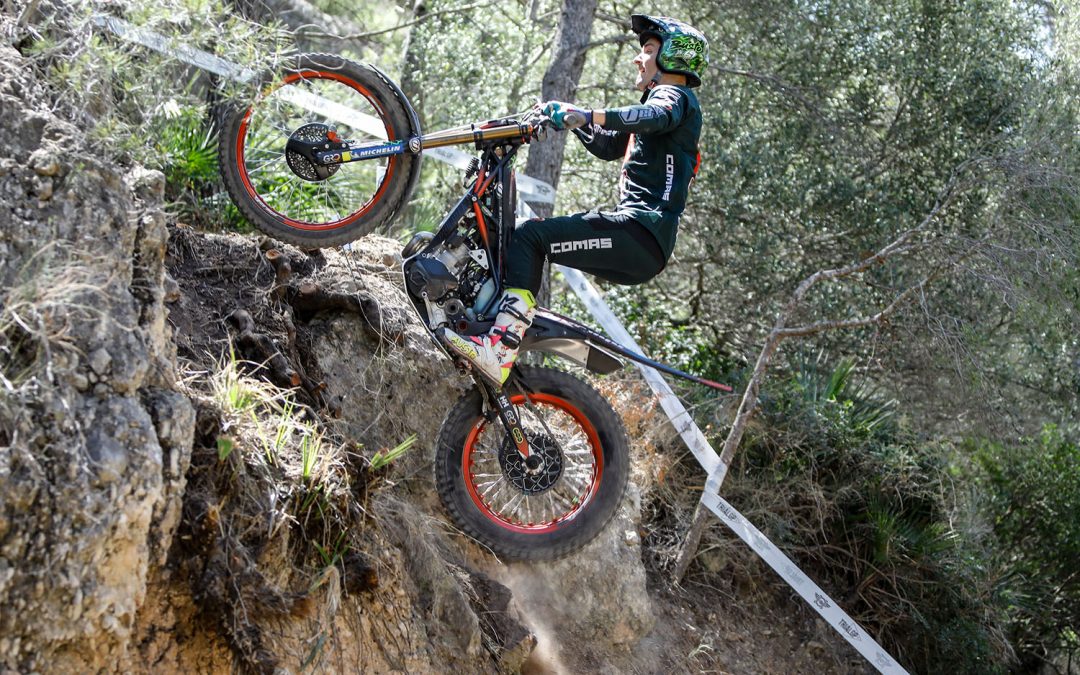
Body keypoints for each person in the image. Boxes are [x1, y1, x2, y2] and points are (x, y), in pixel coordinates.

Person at [441, 14, 709, 385]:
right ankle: (490, 326)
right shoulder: (664, 110)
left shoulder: (674, 98)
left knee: (529, 237)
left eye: (648, 50)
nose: (638, 58)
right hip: (641, 241)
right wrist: (569, 117)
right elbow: (608, 145)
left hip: (640, 233)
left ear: (673, 57)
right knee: (521, 238)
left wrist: (587, 113)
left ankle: (500, 348)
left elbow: (652, 114)